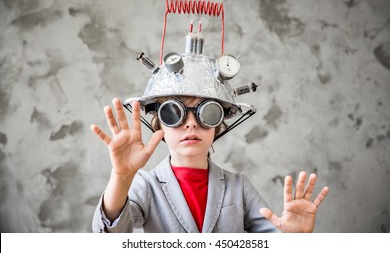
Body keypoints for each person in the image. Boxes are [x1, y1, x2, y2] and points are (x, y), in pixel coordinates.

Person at [91, 27, 328, 232]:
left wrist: (294, 240)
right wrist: (121, 178)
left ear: (219, 123)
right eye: (175, 113)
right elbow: (110, 234)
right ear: (159, 123)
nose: (191, 123)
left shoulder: (239, 187)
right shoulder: (147, 185)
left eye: (207, 113)